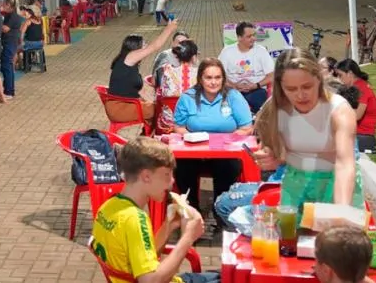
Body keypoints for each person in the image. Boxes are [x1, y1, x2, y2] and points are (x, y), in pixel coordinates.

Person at [252, 48, 364, 218]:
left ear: (319, 79)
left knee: (335, 240)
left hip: (335, 186)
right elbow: (274, 152)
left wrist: (342, 212)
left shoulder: (338, 110)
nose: (300, 95)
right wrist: (270, 156)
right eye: (291, 89)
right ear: (280, 87)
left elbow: (345, 163)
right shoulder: (275, 109)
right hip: (295, 186)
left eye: (307, 86)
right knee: (290, 240)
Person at [90, 137, 215, 283]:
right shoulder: (135, 219)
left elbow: (143, 261)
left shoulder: (108, 207)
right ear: (146, 176)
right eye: (167, 175)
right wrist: (188, 237)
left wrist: (168, 226)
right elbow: (150, 280)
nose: (172, 181)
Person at [172, 58, 253, 212]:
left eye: (218, 77)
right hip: (193, 152)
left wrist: (228, 141)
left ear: (223, 79)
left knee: (229, 168)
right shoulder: (187, 97)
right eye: (208, 78)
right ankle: (191, 211)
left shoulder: (233, 96)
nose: (213, 82)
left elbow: (246, 128)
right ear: (200, 79)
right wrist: (191, 139)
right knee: (181, 168)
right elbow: (179, 127)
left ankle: (220, 210)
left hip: (225, 153)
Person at [218, 21, 275, 114]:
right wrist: (234, 86)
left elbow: (271, 75)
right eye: (249, 36)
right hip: (233, 90)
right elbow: (218, 74)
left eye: (254, 35)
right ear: (239, 38)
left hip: (257, 90)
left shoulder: (261, 51)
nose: (253, 38)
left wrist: (256, 85)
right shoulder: (227, 52)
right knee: (227, 107)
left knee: (260, 103)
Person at [333, 59, 376, 153]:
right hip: (361, 135)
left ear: (350, 73)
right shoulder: (361, 85)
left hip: (362, 136)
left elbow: (357, 115)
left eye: (340, 75)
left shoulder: (360, 88)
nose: (338, 79)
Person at [155, 39, 199, 134]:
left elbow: (160, 91)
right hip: (192, 123)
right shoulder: (200, 73)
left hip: (168, 122)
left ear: (176, 56)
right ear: (194, 57)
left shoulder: (166, 70)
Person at [0, 0, 24, 98]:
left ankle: (8, 91)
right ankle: (8, 90)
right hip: (10, 43)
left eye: (3, 4)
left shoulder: (13, 17)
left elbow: (5, 29)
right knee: (8, 67)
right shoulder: (9, 15)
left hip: (10, 43)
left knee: (7, 67)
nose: (1, 6)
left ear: (8, 5)